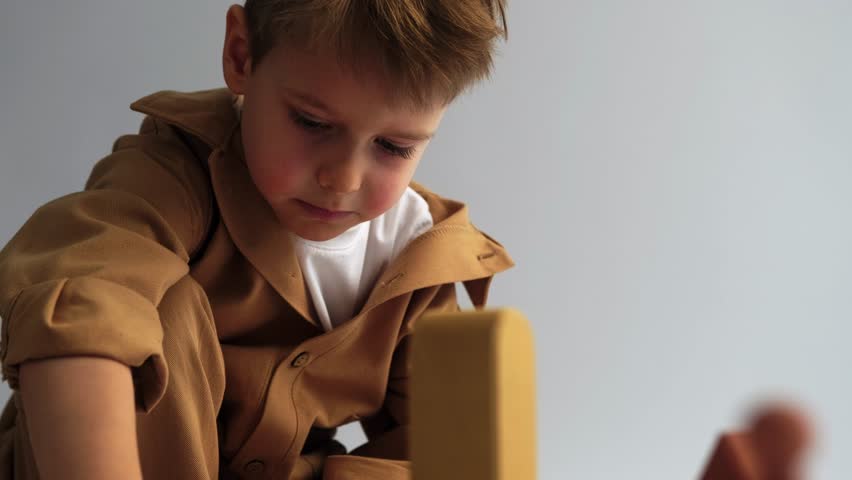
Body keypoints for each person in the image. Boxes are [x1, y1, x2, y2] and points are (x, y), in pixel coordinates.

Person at [0, 1, 513, 478]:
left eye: (394, 147)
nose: (345, 179)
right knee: (155, 309)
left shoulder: (418, 257)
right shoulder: (173, 178)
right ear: (241, 56)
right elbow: (81, 311)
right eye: (312, 123)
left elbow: (440, 450)